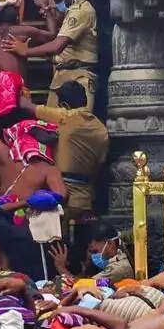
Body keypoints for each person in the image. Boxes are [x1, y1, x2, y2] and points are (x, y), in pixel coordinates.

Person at [13, 0, 100, 97]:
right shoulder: (73, 8)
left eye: (58, 0)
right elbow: (54, 30)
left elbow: (57, 45)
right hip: (65, 74)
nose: (57, 4)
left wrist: (26, 51)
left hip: (78, 78)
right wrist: (46, 10)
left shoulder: (81, 12)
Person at [41, 77, 109, 235]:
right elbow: (100, 165)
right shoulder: (101, 128)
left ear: (64, 106)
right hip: (86, 200)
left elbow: (28, 107)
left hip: (62, 197)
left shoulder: (64, 118)